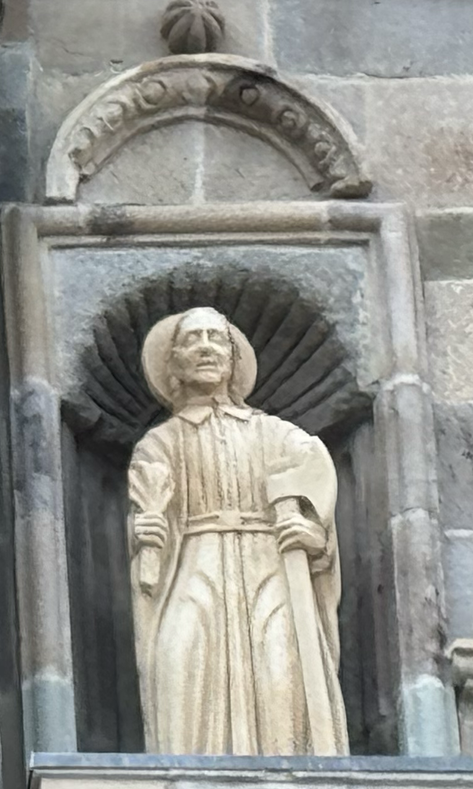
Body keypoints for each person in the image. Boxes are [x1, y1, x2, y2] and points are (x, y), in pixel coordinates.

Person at [127, 304, 346, 756]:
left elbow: (317, 489)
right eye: (192, 340)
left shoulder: (278, 435)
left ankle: (287, 773)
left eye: (216, 338)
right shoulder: (160, 443)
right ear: (173, 364)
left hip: (269, 571)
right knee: (183, 658)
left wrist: (315, 538)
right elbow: (149, 519)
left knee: (279, 668)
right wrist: (146, 532)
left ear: (233, 358)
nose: (206, 347)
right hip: (193, 567)